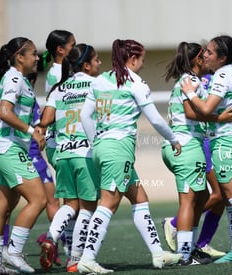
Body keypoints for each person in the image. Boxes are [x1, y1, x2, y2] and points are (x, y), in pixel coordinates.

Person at [78, 39, 183, 274]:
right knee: (108, 203)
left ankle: (158, 254)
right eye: (142, 59)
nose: (143, 64)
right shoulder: (135, 83)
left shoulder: (100, 79)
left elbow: (85, 116)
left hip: (103, 148)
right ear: (133, 58)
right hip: (118, 150)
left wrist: (97, 143)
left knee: (139, 198)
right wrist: (174, 139)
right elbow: (155, 120)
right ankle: (87, 258)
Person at [180, 35, 232, 264]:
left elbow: (207, 107)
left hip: (228, 143)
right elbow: (228, 107)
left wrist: (188, 92)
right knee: (229, 197)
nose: (205, 55)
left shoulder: (223, 73)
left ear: (223, 57)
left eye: (209, 52)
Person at [161, 42, 232, 265]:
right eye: (204, 54)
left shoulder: (195, 80)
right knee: (189, 200)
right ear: (197, 59)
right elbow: (190, 112)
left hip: (184, 145)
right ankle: (184, 254)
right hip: (186, 145)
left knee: (203, 196)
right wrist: (219, 119)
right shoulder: (191, 80)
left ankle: (191, 249)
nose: (208, 57)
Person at [38, 43, 102, 273]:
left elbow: (45, 120)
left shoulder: (58, 87)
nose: (100, 64)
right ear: (85, 64)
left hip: (63, 153)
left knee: (69, 205)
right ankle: (74, 259)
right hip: (85, 153)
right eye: (96, 60)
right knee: (87, 207)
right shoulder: (96, 84)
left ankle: (50, 239)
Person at [0, 37, 46, 275]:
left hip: (4, 148)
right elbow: (5, 112)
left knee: (3, 209)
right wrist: (32, 132)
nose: (37, 57)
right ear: (20, 57)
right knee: (38, 199)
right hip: (8, 148)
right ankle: (14, 252)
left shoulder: (19, 79)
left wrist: (37, 130)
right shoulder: (13, 77)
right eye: (33, 53)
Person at [37, 29, 77, 261]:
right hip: (64, 143)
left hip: (62, 143)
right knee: (76, 201)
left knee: (74, 200)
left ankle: (64, 246)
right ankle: (64, 247)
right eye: (73, 44)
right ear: (60, 50)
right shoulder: (59, 73)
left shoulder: (61, 71)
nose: (76, 47)